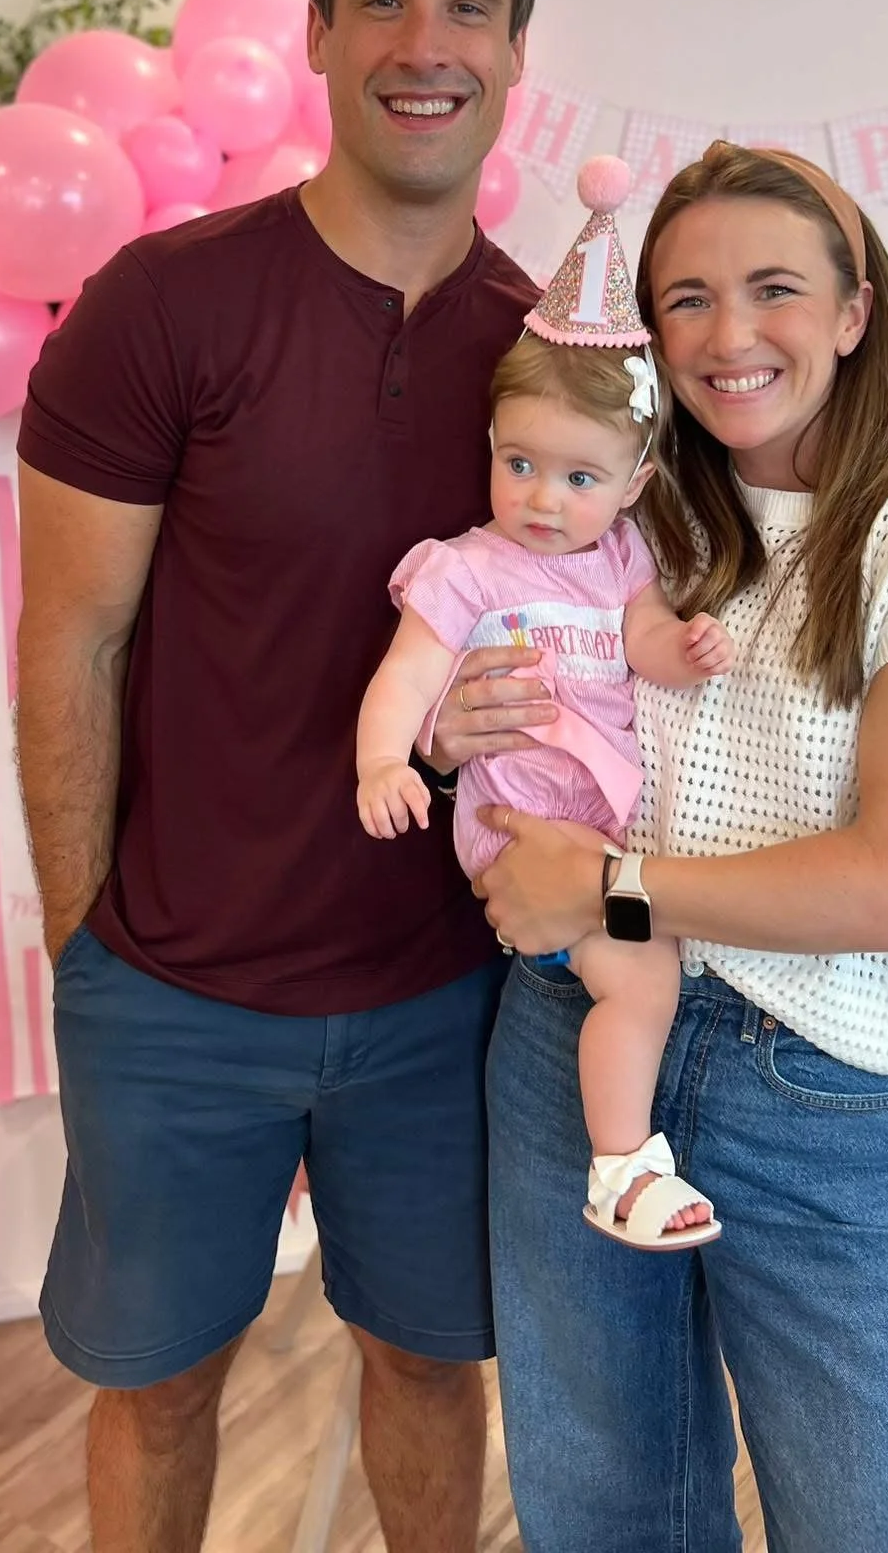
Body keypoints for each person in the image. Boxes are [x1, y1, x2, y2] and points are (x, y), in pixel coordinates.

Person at [14, 0, 558, 1553]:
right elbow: (72, 638)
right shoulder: (162, 306)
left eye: (466, 5)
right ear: (318, 31)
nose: (424, 44)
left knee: (430, 1366)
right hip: (175, 992)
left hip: (444, 998)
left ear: (515, 50)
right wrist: (87, 944)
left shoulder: (547, 357)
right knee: (160, 1385)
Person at [459, 140, 888, 1551]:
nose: (728, 334)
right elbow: (493, 652)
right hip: (576, 1036)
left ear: (855, 311)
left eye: (774, 289)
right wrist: (458, 722)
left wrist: (604, 887)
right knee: (606, 1510)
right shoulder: (633, 508)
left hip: (819, 1074)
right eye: (685, 299)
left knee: (881, 1524)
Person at [357, 154, 733, 1250]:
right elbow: (406, 676)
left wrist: (686, 649)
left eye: (579, 479)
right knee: (642, 976)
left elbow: (644, 643)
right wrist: (383, 760)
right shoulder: (468, 567)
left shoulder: (621, 559)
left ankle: (625, 1157)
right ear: (491, 447)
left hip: (598, 828)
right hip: (517, 822)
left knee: (647, 962)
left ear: (632, 486)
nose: (543, 499)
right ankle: (622, 1166)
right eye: (520, 464)